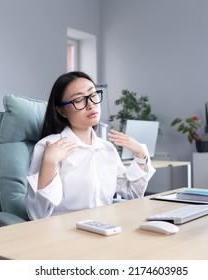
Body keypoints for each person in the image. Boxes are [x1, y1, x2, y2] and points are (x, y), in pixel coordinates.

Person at [25, 71, 156, 219]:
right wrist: (49, 162)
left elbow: (131, 193)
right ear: (61, 111)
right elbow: (37, 215)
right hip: (65, 234)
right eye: (79, 99)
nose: (91, 104)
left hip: (104, 228)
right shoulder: (48, 147)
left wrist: (141, 155)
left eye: (93, 95)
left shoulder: (107, 148)